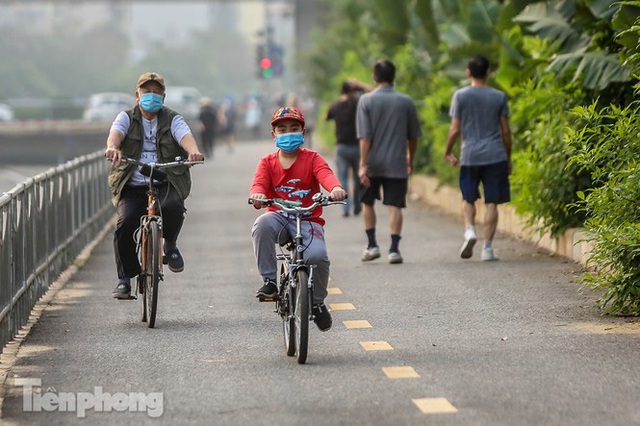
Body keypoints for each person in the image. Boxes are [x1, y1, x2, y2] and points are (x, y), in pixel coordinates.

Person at [104, 72, 205, 299]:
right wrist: (113, 147)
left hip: (164, 180)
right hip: (132, 184)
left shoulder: (173, 119)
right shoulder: (126, 117)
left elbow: (185, 136)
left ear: (163, 96)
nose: (151, 96)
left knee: (173, 207)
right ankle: (124, 279)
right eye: (147, 91)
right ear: (137, 95)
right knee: (124, 224)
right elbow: (115, 134)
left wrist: (193, 152)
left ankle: (170, 245)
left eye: (156, 92)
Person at [249, 106, 347, 331]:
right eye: (282, 130)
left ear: (303, 132)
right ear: (274, 135)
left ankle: (317, 302)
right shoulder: (267, 162)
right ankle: (270, 281)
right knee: (261, 224)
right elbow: (259, 184)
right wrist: (258, 196)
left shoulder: (312, 159)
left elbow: (327, 176)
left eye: (294, 128)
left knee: (318, 257)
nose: (288, 133)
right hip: (279, 216)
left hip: (308, 218)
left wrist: (336, 189)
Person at [444, 54, 512, 261]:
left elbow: (455, 130)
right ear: (489, 73)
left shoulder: (460, 96)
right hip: (495, 155)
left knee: (468, 197)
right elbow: (506, 132)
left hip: (470, 155)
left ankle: (470, 229)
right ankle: (488, 249)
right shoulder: (499, 97)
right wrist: (508, 157)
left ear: (468, 72)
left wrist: (448, 151)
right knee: (492, 202)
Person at [356, 60, 422, 264]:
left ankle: (372, 245)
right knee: (395, 206)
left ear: (374, 76)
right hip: (396, 162)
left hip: (373, 163)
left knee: (367, 202)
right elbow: (413, 136)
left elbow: (365, 137)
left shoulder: (366, 101)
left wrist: (363, 164)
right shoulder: (406, 101)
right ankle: (394, 250)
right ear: (394, 77)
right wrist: (410, 158)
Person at [326, 79, 373, 217]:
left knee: (343, 178)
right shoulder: (358, 103)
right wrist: (360, 84)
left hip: (341, 147)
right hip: (357, 147)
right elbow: (374, 93)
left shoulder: (335, 105)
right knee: (358, 178)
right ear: (353, 91)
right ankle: (357, 205)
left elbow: (325, 117)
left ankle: (345, 209)